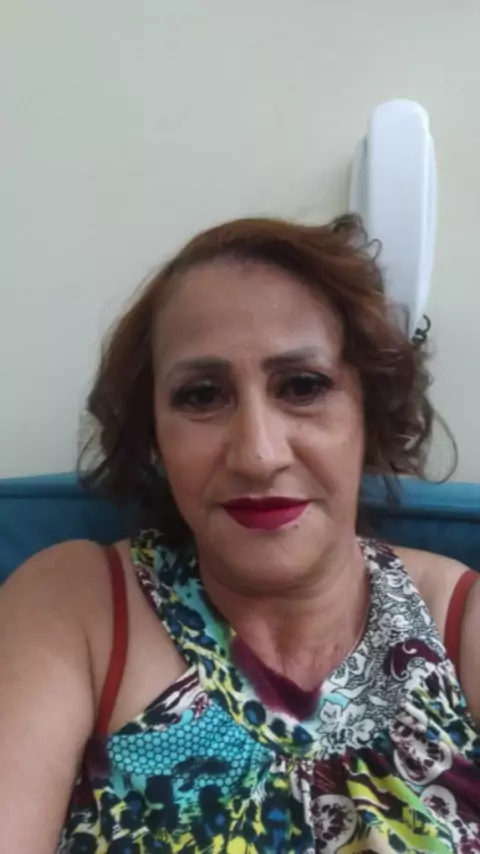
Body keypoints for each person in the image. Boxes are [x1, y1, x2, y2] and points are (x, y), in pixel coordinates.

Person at [1, 215, 479, 854]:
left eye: (303, 386)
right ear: (154, 436)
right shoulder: (77, 607)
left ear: (369, 410)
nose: (258, 454)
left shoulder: (462, 621)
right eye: (202, 396)